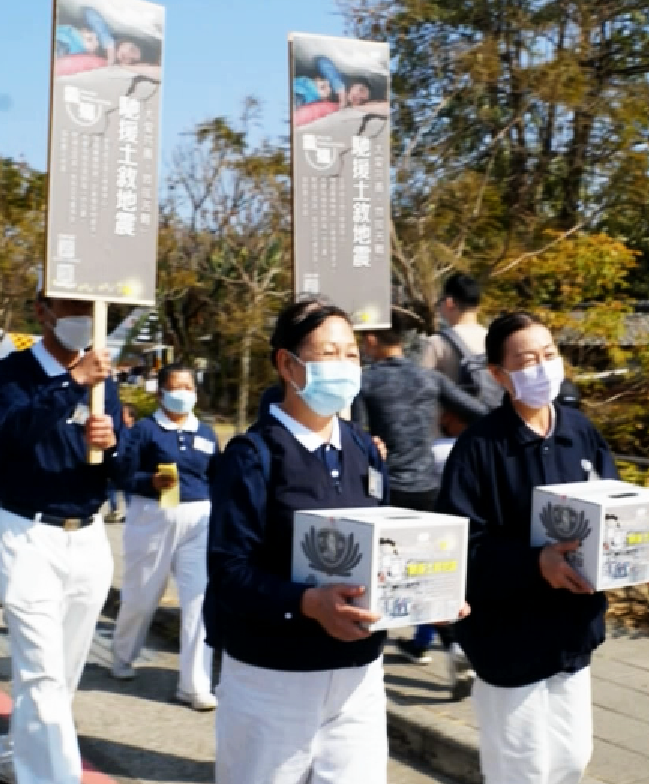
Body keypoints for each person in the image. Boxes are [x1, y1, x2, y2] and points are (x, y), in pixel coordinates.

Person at [206, 298, 397, 784]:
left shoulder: (362, 449)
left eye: (352, 354)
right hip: (273, 680)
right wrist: (306, 603)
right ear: (288, 365)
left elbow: (382, 544)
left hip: (358, 679)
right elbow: (230, 572)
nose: (345, 366)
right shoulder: (252, 457)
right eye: (329, 353)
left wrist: (418, 595)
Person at [435, 312, 620, 784]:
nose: (542, 367)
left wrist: (637, 555)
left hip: (571, 631)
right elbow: (459, 548)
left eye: (549, 355)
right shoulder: (478, 449)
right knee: (521, 770)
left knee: (571, 760)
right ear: (498, 375)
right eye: (526, 360)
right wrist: (535, 562)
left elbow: (616, 506)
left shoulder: (579, 431)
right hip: (508, 638)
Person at [0, 293, 139, 784]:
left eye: (91, 309)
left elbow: (122, 470)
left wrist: (112, 447)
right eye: (71, 307)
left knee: (64, 671)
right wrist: (73, 382)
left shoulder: (106, 381)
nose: (83, 319)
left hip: (88, 536)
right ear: (42, 311)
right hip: (28, 531)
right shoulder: (13, 371)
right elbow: (12, 434)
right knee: (41, 672)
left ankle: (15, 750)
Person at [351, 314, 486, 697]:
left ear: (374, 340)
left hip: (387, 492)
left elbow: (361, 437)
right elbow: (478, 414)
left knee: (378, 579)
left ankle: (366, 662)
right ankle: (457, 646)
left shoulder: (367, 380)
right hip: (429, 487)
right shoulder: (429, 378)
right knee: (425, 578)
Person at [111, 364, 218, 708]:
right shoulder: (144, 430)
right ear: (160, 393)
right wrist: (148, 482)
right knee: (142, 596)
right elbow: (122, 474)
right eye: (176, 386)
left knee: (199, 602)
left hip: (199, 520)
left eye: (188, 386)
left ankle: (194, 684)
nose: (183, 393)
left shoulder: (206, 433)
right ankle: (123, 654)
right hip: (153, 517)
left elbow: (216, 476)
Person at [422, 273, 502, 410]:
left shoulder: (437, 343)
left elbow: (421, 388)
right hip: (492, 422)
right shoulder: (496, 339)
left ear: (449, 302)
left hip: (453, 427)